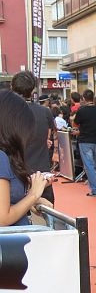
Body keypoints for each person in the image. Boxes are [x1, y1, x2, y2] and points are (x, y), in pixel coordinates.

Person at [0, 90, 50, 226]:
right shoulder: (1, 158)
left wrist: (29, 201)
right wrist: (33, 195)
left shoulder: (5, 157)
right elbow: (2, 218)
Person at [11, 71, 57, 204]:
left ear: (12, 87)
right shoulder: (45, 112)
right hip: (40, 176)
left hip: (14, 177)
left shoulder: (7, 113)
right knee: (44, 214)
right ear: (32, 91)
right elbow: (53, 133)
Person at [72, 89, 96, 197]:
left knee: (89, 165)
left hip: (85, 140)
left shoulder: (81, 110)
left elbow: (75, 124)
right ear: (93, 97)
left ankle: (95, 190)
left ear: (84, 98)